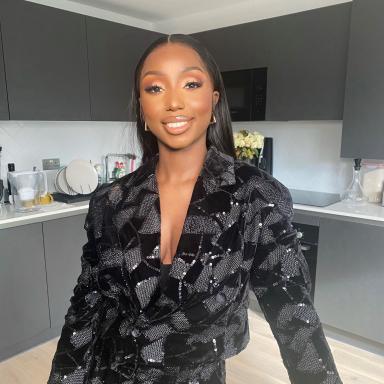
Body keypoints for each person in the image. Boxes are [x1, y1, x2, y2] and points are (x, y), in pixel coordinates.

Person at [47, 34, 343, 384]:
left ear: (214, 101)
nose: (173, 102)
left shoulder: (254, 197)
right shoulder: (110, 202)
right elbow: (86, 309)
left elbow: (294, 318)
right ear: (142, 106)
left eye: (190, 83)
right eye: (155, 88)